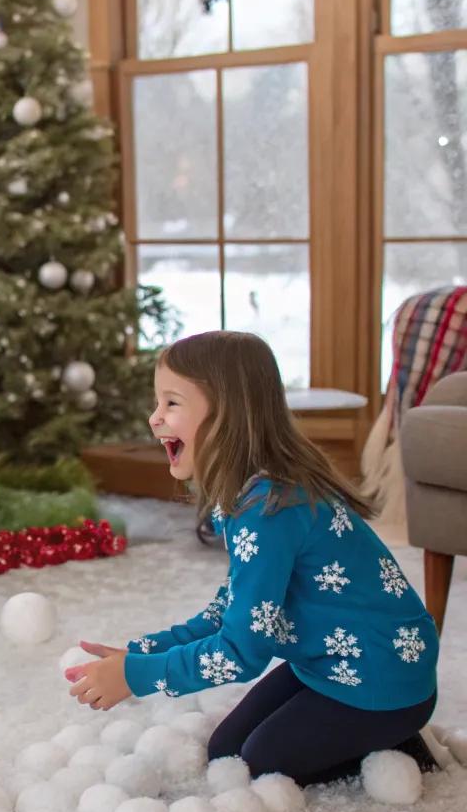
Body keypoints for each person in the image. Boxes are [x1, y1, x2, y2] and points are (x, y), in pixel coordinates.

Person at [65, 330, 439, 786]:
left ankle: (397, 740)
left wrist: (135, 675)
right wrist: (141, 651)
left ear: (225, 413)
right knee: (227, 752)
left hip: (383, 681)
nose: (154, 418)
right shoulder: (249, 497)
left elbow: (241, 653)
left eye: (171, 403)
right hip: (330, 665)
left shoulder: (269, 510)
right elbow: (231, 612)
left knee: (261, 762)